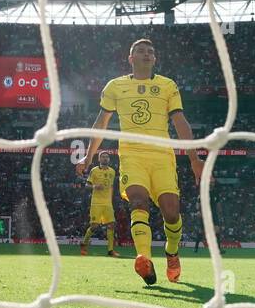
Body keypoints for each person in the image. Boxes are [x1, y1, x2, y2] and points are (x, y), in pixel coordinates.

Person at [78, 38, 203, 286]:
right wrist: (88, 155)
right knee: (137, 200)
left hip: (162, 156)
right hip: (132, 155)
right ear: (131, 58)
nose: (147, 54)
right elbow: (101, 123)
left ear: (154, 59)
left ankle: (172, 252)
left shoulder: (168, 86)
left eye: (151, 52)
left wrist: (194, 158)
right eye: (141, 51)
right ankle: (143, 257)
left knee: (171, 212)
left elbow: (180, 122)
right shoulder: (115, 86)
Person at [81, 151, 119, 257]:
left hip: (107, 203)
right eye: (103, 157)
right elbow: (87, 185)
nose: (105, 158)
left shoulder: (112, 171)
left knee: (111, 225)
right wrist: (94, 187)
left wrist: (111, 200)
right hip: (96, 203)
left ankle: (110, 250)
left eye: (107, 157)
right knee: (94, 226)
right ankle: (84, 244)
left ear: (109, 159)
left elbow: (111, 187)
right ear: (99, 159)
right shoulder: (94, 171)